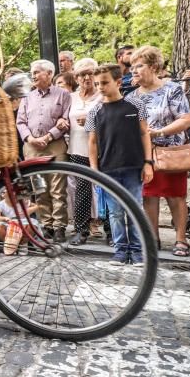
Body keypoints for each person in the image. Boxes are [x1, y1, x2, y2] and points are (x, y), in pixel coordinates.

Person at [86, 64, 154, 264]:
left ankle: (137, 250)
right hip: (108, 169)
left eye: (105, 82)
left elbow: (144, 133)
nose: (100, 87)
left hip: (133, 166)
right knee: (115, 212)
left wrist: (148, 162)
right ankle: (120, 249)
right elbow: (92, 142)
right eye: (97, 83)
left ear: (117, 82)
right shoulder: (95, 111)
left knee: (135, 209)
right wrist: (94, 170)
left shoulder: (135, 105)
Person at [130, 45, 190, 257]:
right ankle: (152, 238)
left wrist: (158, 133)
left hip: (171, 151)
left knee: (176, 196)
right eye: (132, 67)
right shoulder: (132, 97)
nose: (134, 71)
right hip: (145, 155)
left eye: (139, 66)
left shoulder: (172, 89)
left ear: (154, 66)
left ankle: (181, 239)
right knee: (149, 196)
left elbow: (185, 119)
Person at [17, 59, 72, 243]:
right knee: (40, 188)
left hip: (55, 145)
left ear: (49, 74)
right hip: (32, 148)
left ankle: (59, 227)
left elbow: (65, 120)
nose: (33, 75)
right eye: (32, 71)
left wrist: (48, 136)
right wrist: (31, 139)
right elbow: (21, 122)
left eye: (37, 71)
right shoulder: (26, 97)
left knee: (58, 189)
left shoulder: (63, 95)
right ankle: (46, 225)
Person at [66, 58, 103, 245]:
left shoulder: (102, 95)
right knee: (81, 189)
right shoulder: (70, 97)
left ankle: (112, 231)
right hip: (77, 148)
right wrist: (61, 122)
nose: (86, 77)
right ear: (76, 77)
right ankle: (81, 229)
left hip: (101, 148)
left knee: (106, 189)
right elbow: (64, 118)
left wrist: (91, 120)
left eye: (90, 73)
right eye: (82, 74)